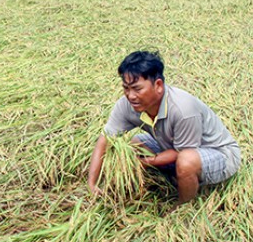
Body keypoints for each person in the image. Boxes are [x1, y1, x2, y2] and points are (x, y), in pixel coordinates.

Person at [87, 51, 241, 209]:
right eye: (126, 88)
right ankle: (173, 177)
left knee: (186, 161)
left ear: (158, 86)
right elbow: (106, 139)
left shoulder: (183, 109)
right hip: (171, 146)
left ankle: (183, 207)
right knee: (129, 145)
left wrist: (145, 163)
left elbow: (181, 152)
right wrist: (92, 183)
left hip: (219, 154)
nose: (131, 96)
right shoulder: (127, 105)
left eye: (137, 89)